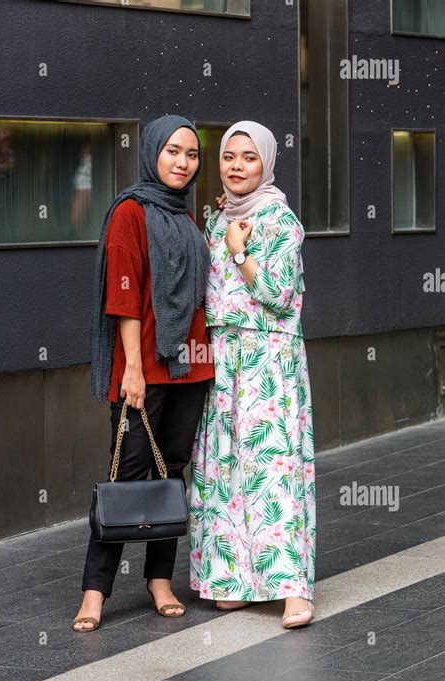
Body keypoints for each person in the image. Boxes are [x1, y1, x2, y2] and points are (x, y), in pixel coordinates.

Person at [72, 115, 214, 632]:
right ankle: (95, 591)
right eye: (173, 151)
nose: (183, 162)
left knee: (169, 474)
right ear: (153, 151)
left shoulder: (186, 216)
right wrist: (133, 368)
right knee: (126, 474)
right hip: (144, 371)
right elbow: (124, 296)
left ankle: (159, 580)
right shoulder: (130, 213)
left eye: (192, 155)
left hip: (190, 371)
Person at [189, 121, 316, 629]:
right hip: (224, 358)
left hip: (268, 358)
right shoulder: (217, 219)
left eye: (249, 158)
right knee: (225, 469)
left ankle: (293, 592)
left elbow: (279, 295)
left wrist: (242, 253)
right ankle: (235, 580)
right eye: (228, 157)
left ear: (266, 163)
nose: (237, 167)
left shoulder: (280, 220)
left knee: (272, 466)